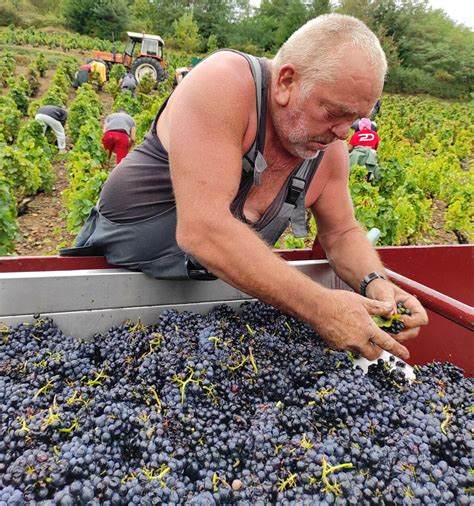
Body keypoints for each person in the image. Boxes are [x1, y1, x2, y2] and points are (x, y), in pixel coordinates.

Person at [61, 14, 428, 361]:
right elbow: (203, 229)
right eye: (334, 113)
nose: (344, 134)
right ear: (286, 82)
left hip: (204, 322)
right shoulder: (225, 85)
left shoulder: (330, 153)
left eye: (355, 119)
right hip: (104, 305)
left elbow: (342, 232)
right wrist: (320, 306)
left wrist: (376, 285)